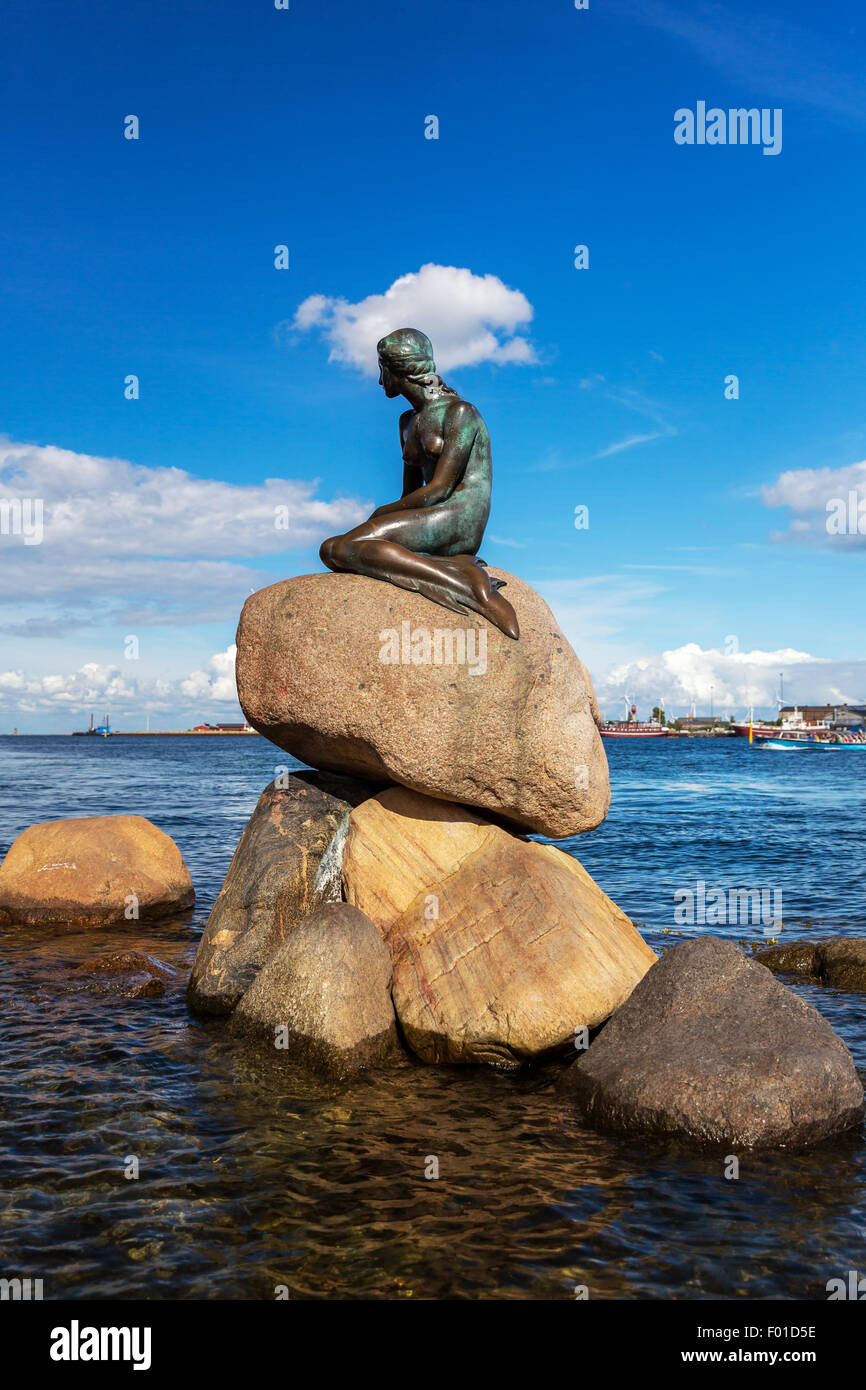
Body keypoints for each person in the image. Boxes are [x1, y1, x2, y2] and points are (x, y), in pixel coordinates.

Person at [319, 328, 519, 639]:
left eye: (381, 369)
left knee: (346, 547)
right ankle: (453, 569)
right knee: (331, 549)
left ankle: (469, 586)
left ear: (397, 369)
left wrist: (379, 514)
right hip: (430, 515)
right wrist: (385, 517)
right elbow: (410, 495)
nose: (379, 379)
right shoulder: (407, 421)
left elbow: (439, 489)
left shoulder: (460, 412)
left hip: (459, 517)